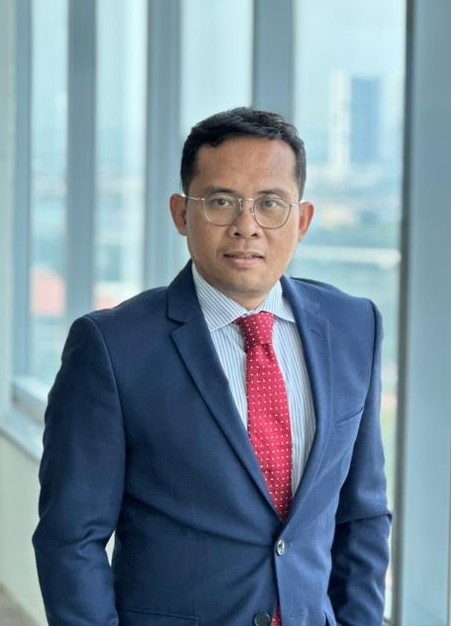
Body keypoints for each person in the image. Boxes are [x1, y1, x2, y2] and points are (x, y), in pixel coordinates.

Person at [33, 107, 391, 626]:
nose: (247, 227)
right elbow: (71, 538)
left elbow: (363, 515)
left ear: (302, 220)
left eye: (270, 204)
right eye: (222, 202)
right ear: (181, 214)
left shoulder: (354, 326)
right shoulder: (111, 347)